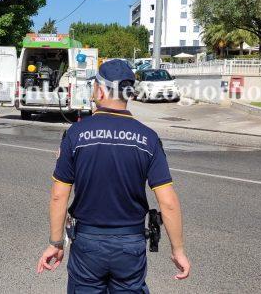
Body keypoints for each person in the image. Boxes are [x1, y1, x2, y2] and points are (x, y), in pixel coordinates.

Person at [36, 59, 190, 292]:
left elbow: (59, 196)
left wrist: (56, 243)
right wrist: (178, 251)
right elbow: (167, 202)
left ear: (100, 89)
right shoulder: (148, 138)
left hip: (88, 243)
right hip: (130, 244)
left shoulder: (76, 134)